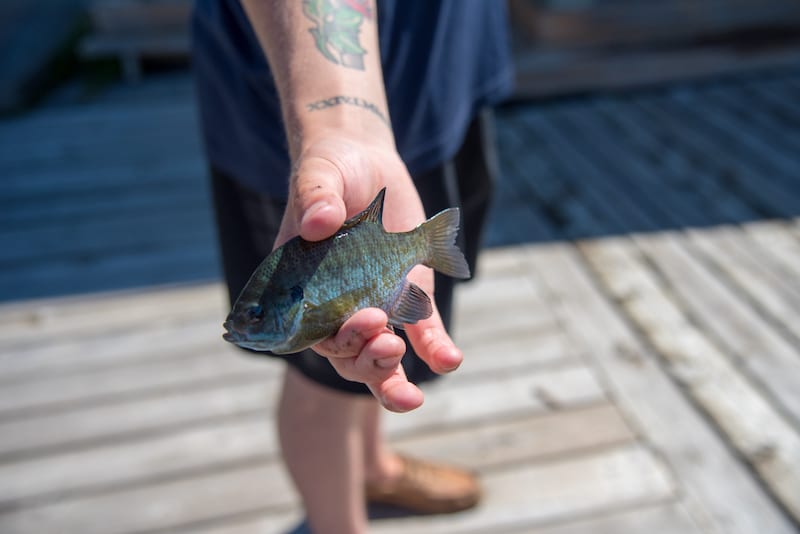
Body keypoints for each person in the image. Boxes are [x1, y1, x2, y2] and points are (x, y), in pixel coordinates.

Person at [192, 1, 513, 532]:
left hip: (443, 80)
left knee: (376, 361)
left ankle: (372, 467)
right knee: (323, 383)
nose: (243, 324)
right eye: (250, 318)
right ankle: (334, 523)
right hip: (294, 104)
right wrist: (341, 122)